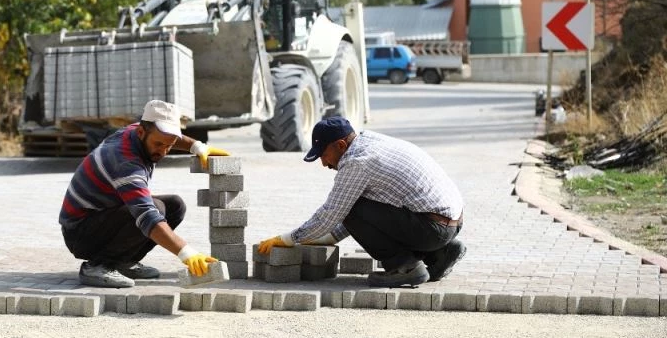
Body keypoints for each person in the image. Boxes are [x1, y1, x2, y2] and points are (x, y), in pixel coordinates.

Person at [258, 116, 465, 287]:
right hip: (451, 222)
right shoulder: (369, 141)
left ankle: (404, 268)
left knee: (350, 207)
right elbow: (371, 215)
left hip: (431, 228)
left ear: (340, 145)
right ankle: (440, 253)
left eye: (324, 155)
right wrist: (327, 237)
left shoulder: (356, 162)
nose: (324, 163)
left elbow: (333, 213)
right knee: (355, 204)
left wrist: (289, 239)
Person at [59, 100, 230, 288]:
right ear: (141, 132)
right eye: (158, 144)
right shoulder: (125, 161)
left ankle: (123, 262)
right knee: (153, 210)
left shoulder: (138, 130)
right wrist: (187, 253)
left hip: (102, 217)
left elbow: (168, 137)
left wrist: (197, 146)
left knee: (174, 206)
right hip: (80, 232)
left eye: (169, 145)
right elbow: (147, 215)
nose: (163, 151)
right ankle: (98, 266)